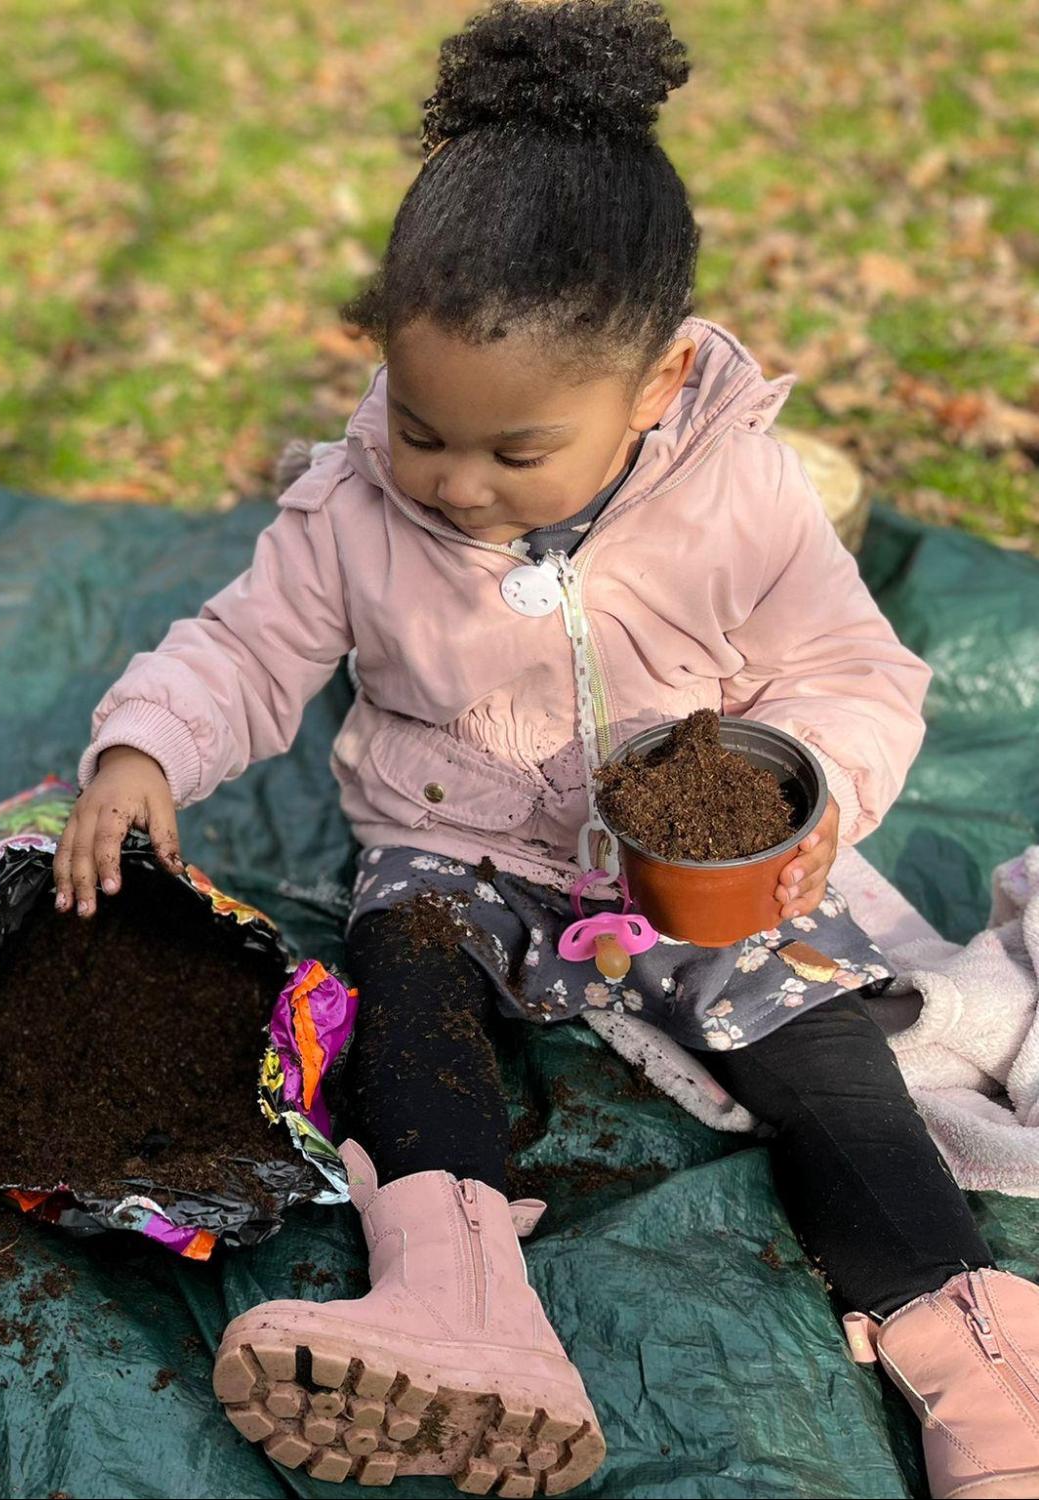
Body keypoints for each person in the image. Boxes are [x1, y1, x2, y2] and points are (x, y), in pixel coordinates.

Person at [54, 3, 1039, 1495]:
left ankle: (969, 1346)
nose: (451, 484)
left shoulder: (738, 494)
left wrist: (815, 794)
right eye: (424, 431)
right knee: (405, 986)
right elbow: (244, 645)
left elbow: (853, 670)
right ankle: (457, 1300)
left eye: (513, 453)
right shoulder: (348, 509)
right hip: (448, 840)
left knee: (819, 1042)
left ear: (649, 393)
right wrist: (140, 749)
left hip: (685, 859)